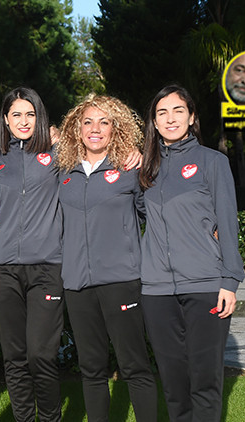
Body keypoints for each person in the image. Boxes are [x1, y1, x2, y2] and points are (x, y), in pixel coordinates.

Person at [139, 85, 245, 421]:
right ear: (154, 122)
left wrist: (230, 280)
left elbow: (227, 222)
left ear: (192, 117)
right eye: (162, 113)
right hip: (157, 291)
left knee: (205, 380)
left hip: (205, 286)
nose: (170, 119)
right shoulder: (145, 169)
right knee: (173, 384)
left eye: (178, 111)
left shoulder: (212, 162)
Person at [55, 94, 157, 422]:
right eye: (88, 122)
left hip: (121, 281)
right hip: (77, 284)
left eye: (104, 122)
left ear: (117, 128)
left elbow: (155, 216)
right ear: (77, 129)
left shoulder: (130, 168)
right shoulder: (64, 171)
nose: (95, 129)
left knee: (134, 365)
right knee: (91, 368)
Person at [0, 87, 64, 422]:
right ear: (6, 119)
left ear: (40, 116)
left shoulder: (59, 154)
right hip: (3, 269)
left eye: (30, 114)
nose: (24, 121)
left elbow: (99, 146)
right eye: (16, 114)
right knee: (14, 357)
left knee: (41, 355)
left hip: (47, 267)